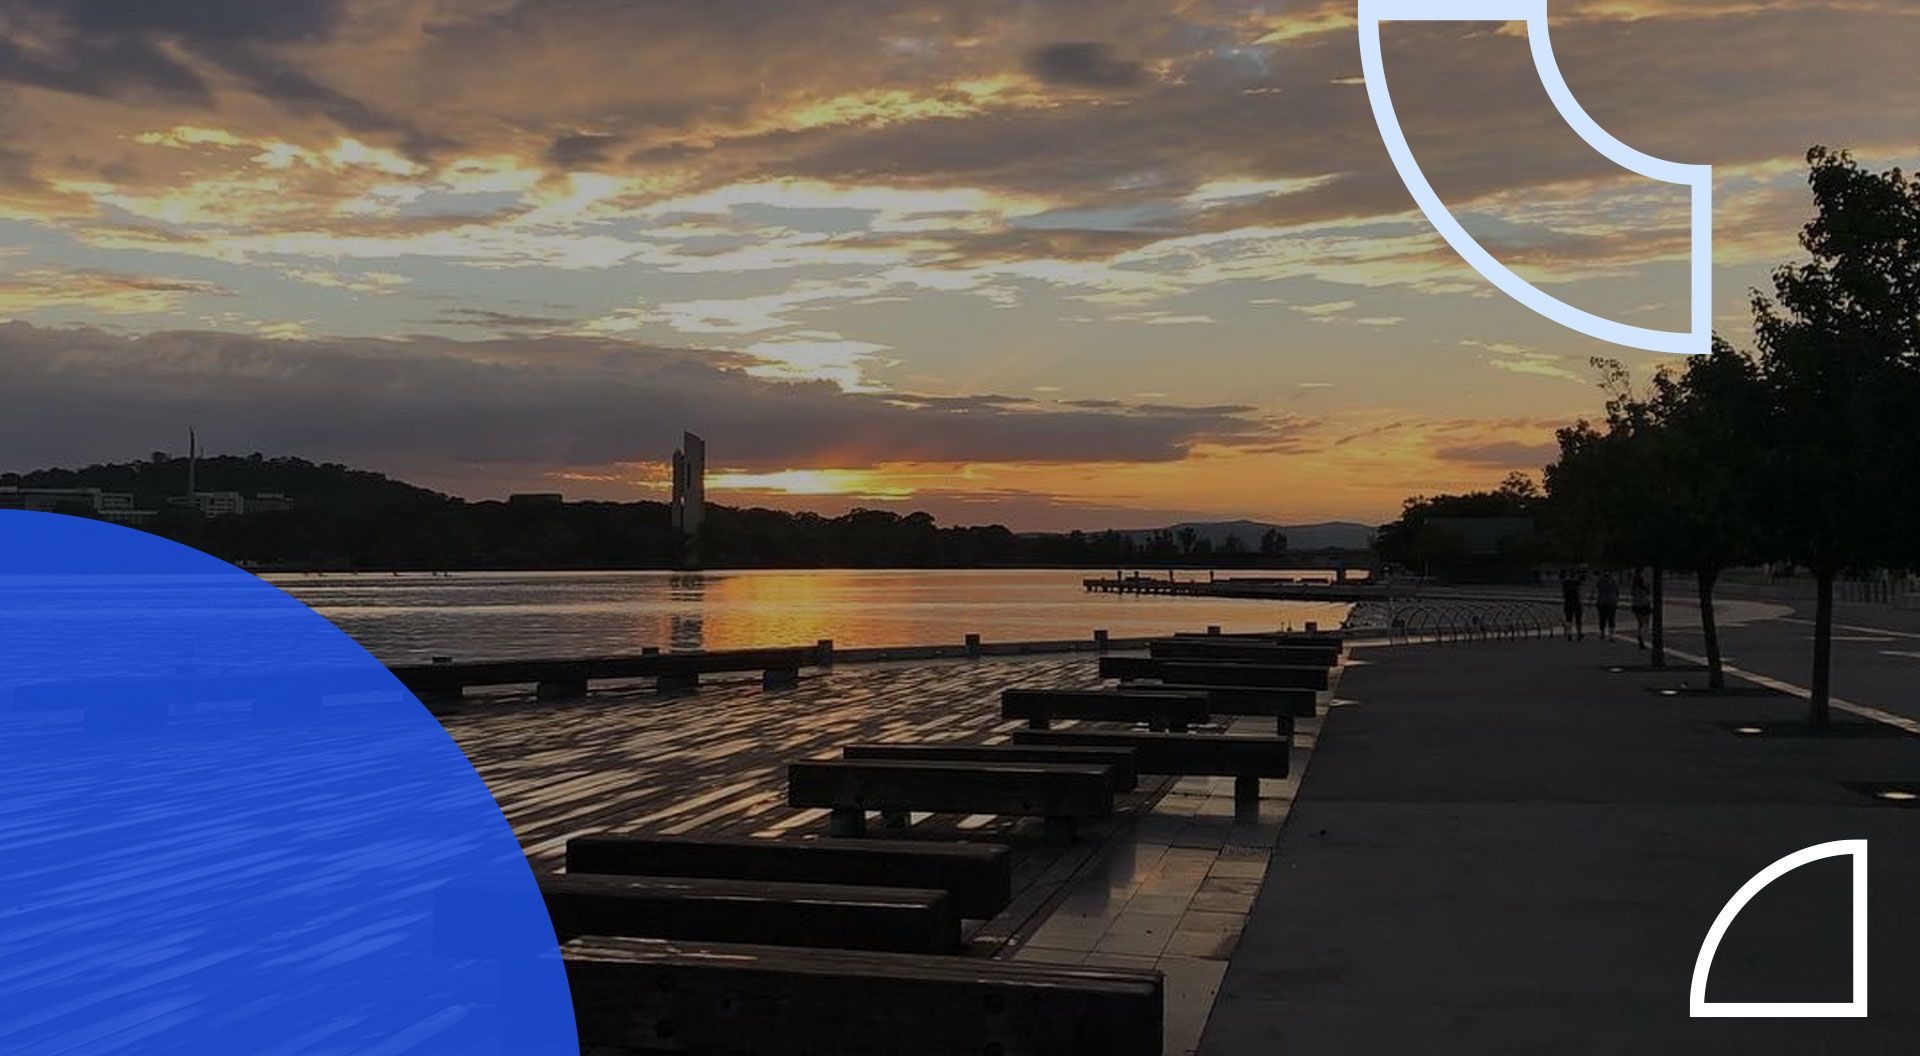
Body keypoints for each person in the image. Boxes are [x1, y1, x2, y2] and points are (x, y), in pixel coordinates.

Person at [1630, 569, 1653, 650]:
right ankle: (1642, 636)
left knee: (1640, 622)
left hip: (1636, 604)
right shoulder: (1645, 583)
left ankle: (1640, 634)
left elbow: (1632, 593)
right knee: (1646, 621)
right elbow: (1649, 592)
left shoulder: (1634, 584)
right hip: (1644, 604)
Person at [1595, 570, 1620, 640]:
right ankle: (1611, 635)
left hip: (1602, 602)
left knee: (1602, 618)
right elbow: (1617, 592)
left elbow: (1597, 590)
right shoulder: (1614, 582)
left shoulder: (1600, 581)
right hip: (1612, 602)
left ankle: (1602, 633)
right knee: (1611, 619)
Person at [1560, 570, 1585, 641]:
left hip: (1568, 602)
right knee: (1578, 619)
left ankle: (1569, 633)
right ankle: (1579, 633)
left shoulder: (1565, 583)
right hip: (1577, 602)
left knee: (1568, 619)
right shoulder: (1577, 582)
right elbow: (1583, 579)